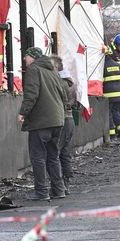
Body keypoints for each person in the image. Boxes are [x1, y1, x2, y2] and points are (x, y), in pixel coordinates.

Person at [18, 47, 67, 201]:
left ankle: (41, 191)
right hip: (58, 120)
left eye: (26, 56)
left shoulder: (34, 69)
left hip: (41, 121)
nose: (25, 60)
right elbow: (64, 94)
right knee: (53, 156)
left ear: (32, 57)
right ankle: (59, 190)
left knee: (38, 157)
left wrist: (23, 112)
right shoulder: (52, 70)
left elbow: (31, 94)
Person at [50, 55, 77, 195]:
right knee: (65, 153)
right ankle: (66, 183)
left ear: (56, 67)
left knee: (55, 153)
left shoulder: (60, 83)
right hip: (69, 119)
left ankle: (59, 186)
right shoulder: (70, 82)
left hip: (62, 119)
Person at [103, 47, 120, 139]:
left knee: (108, 113)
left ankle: (112, 134)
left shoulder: (103, 66)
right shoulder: (118, 65)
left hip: (108, 95)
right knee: (115, 111)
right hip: (118, 94)